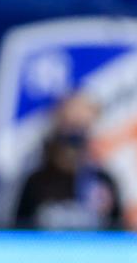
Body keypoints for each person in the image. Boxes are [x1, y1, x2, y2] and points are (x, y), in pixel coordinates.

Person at [12, 93, 124, 231]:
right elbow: (18, 236)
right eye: (71, 124)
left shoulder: (104, 182)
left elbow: (119, 236)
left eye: (83, 125)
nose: (76, 133)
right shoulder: (36, 182)